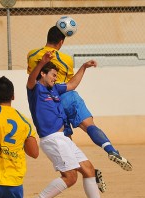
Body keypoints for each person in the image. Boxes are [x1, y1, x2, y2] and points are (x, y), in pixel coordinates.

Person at [25, 51, 122, 198]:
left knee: (89, 170)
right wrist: (42, 63)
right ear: (43, 74)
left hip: (64, 139)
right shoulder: (35, 89)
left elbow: (72, 84)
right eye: (53, 75)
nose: (55, 78)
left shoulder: (54, 88)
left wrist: (84, 67)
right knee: (70, 177)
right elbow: (31, 78)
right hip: (52, 139)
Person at [27, 26, 132, 172]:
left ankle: (88, 171)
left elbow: (33, 76)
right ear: (61, 42)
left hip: (50, 103)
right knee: (90, 126)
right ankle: (111, 150)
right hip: (66, 95)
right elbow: (70, 83)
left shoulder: (32, 55)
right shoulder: (66, 60)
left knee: (66, 142)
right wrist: (83, 67)